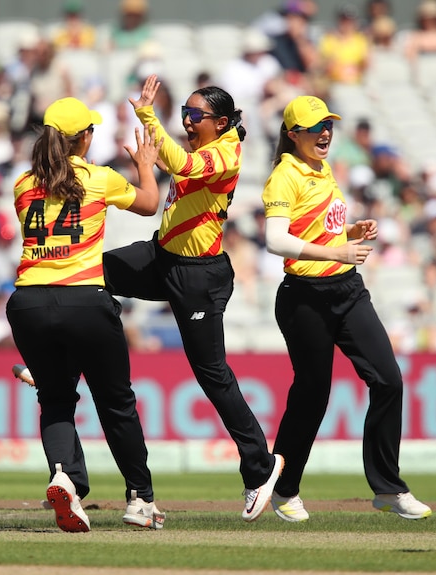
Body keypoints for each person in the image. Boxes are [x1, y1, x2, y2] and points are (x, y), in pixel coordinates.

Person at [102, 74, 284, 522]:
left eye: (194, 115)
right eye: (183, 112)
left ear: (220, 122)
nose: (186, 120)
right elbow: (174, 162)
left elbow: (181, 166)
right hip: (161, 257)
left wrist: (147, 115)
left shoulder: (225, 152)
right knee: (89, 273)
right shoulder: (205, 145)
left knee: (212, 375)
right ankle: (63, 358)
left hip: (198, 276)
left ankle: (260, 469)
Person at [260, 94, 431, 522]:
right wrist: (336, 253)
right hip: (305, 297)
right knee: (313, 395)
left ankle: (388, 488)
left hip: (347, 291)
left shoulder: (323, 168)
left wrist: (349, 231)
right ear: (293, 134)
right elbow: (276, 240)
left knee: (388, 380)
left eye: (328, 126)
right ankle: (284, 489)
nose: (325, 133)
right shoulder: (285, 174)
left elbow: (318, 227)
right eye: (315, 128)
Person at [5, 97, 165, 533]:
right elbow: (150, 203)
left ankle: (65, 478)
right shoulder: (97, 178)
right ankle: (140, 500)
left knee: (55, 398)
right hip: (84, 300)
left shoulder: (22, 185)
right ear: (86, 138)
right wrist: (146, 163)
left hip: (28, 302)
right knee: (116, 403)